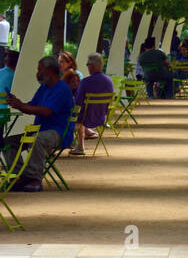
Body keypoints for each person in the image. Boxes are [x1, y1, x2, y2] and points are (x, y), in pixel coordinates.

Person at [3, 56, 74, 191]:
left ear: (49, 71)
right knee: (8, 142)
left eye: (39, 69)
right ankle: (18, 177)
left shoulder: (62, 89)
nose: (37, 73)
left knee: (37, 140)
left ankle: (34, 179)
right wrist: (19, 104)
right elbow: (32, 106)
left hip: (58, 132)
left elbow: (47, 112)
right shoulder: (43, 88)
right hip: (41, 130)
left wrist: (21, 106)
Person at [67, 54, 115, 156]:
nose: (87, 66)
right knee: (83, 113)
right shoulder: (109, 81)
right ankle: (80, 143)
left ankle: (80, 146)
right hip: (101, 118)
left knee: (76, 114)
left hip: (84, 119)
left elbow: (78, 103)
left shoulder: (85, 82)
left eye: (87, 64)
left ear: (92, 66)